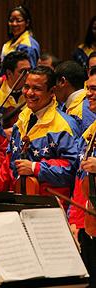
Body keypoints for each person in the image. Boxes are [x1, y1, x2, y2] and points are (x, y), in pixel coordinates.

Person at [0, 66, 80, 199]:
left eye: (37, 89)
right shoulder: (21, 120)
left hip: (52, 205)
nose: (29, 93)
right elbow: (10, 163)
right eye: (26, 87)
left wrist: (35, 167)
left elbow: (73, 171)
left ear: (52, 91)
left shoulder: (65, 125)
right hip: (19, 198)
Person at [68, 67, 96, 287]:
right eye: (88, 88)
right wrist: (75, 221)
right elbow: (81, 180)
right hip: (89, 226)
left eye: (95, 89)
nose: (89, 94)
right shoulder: (91, 131)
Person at [0, 51, 31, 130]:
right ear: (9, 73)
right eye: (23, 71)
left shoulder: (34, 98)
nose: (28, 74)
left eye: (29, 70)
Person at [53, 61, 87, 133]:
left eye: (53, 83)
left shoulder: (81, 111)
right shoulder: (82, 105)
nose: (53, 88)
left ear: (62, 81)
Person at [67, 52, 96, 133]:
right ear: (87, 71)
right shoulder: (81, 102)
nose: (89, 94)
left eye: (94, 89)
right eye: (94, 68)